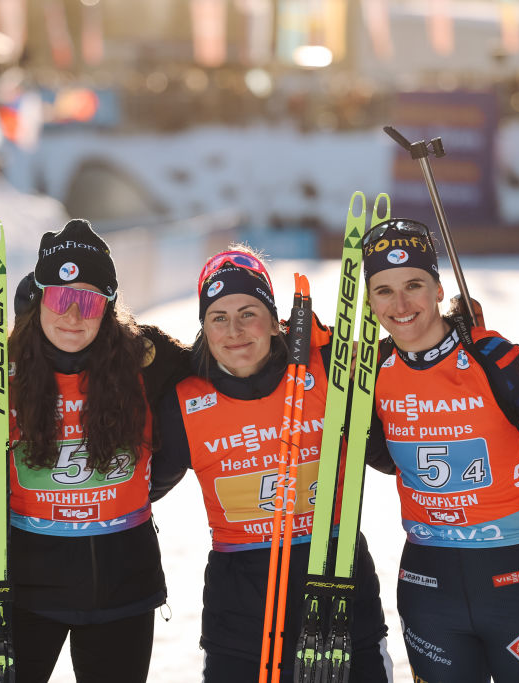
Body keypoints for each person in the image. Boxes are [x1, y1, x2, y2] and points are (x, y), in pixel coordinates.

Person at [361, 218, 519, 682]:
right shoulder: (371, 372)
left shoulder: (495, 358)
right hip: (428, 584)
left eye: (414, 284)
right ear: (369, 300)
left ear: (437, 287)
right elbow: (383, 457)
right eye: (384, 290)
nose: (401, 304)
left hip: (518, 577)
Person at [151, 246, 392, 683]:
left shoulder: (329, 373)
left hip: (339, 590)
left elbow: (391, 454)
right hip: (242, 611)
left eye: (248, 312)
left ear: (275, 318)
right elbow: (140, 488)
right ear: (204, 328)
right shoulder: (185, 400)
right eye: (218, 317)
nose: (235, 330)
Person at [4, 218, 190, 683]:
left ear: (107, 306)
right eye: (60, 297)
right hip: (26, 591)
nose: (72, 315)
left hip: (123, 589)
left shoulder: (149, 360)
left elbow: (222, 362)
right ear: (39, 297)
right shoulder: (1, 370)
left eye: (87, 301)